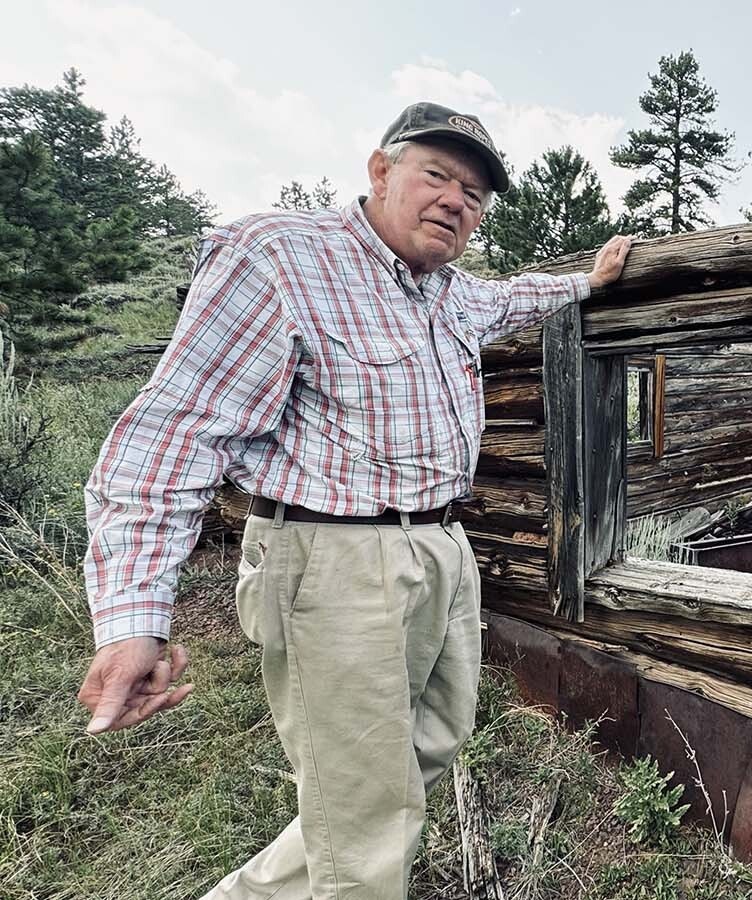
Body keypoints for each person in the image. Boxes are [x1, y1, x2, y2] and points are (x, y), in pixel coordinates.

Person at [75, 101, 633, 898]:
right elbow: (171, 438)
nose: (455, 201)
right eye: (436, 175)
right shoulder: (281, 257)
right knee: (366, 820)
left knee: (426, 747)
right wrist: (134, 619)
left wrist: (590, 281)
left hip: (438, 548)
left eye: (474, 195)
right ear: (381, 170)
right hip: (331, 560)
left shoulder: (448, 293)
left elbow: (516, 298)